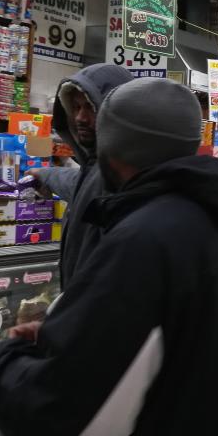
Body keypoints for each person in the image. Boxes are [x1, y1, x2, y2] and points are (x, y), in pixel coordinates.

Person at [0, 78, 218, 436]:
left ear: (112, 146)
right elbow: (151, 346)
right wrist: (67, 328)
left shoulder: (142, 239)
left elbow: (56, 410)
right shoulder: (216, 224)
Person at [30, 63, 134, 285]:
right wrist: (46, 174)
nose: (80, 118)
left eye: (90, 107)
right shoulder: (96, 167)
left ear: (116, 111)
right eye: (75, 108)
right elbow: (79, 184)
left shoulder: (122, 172)